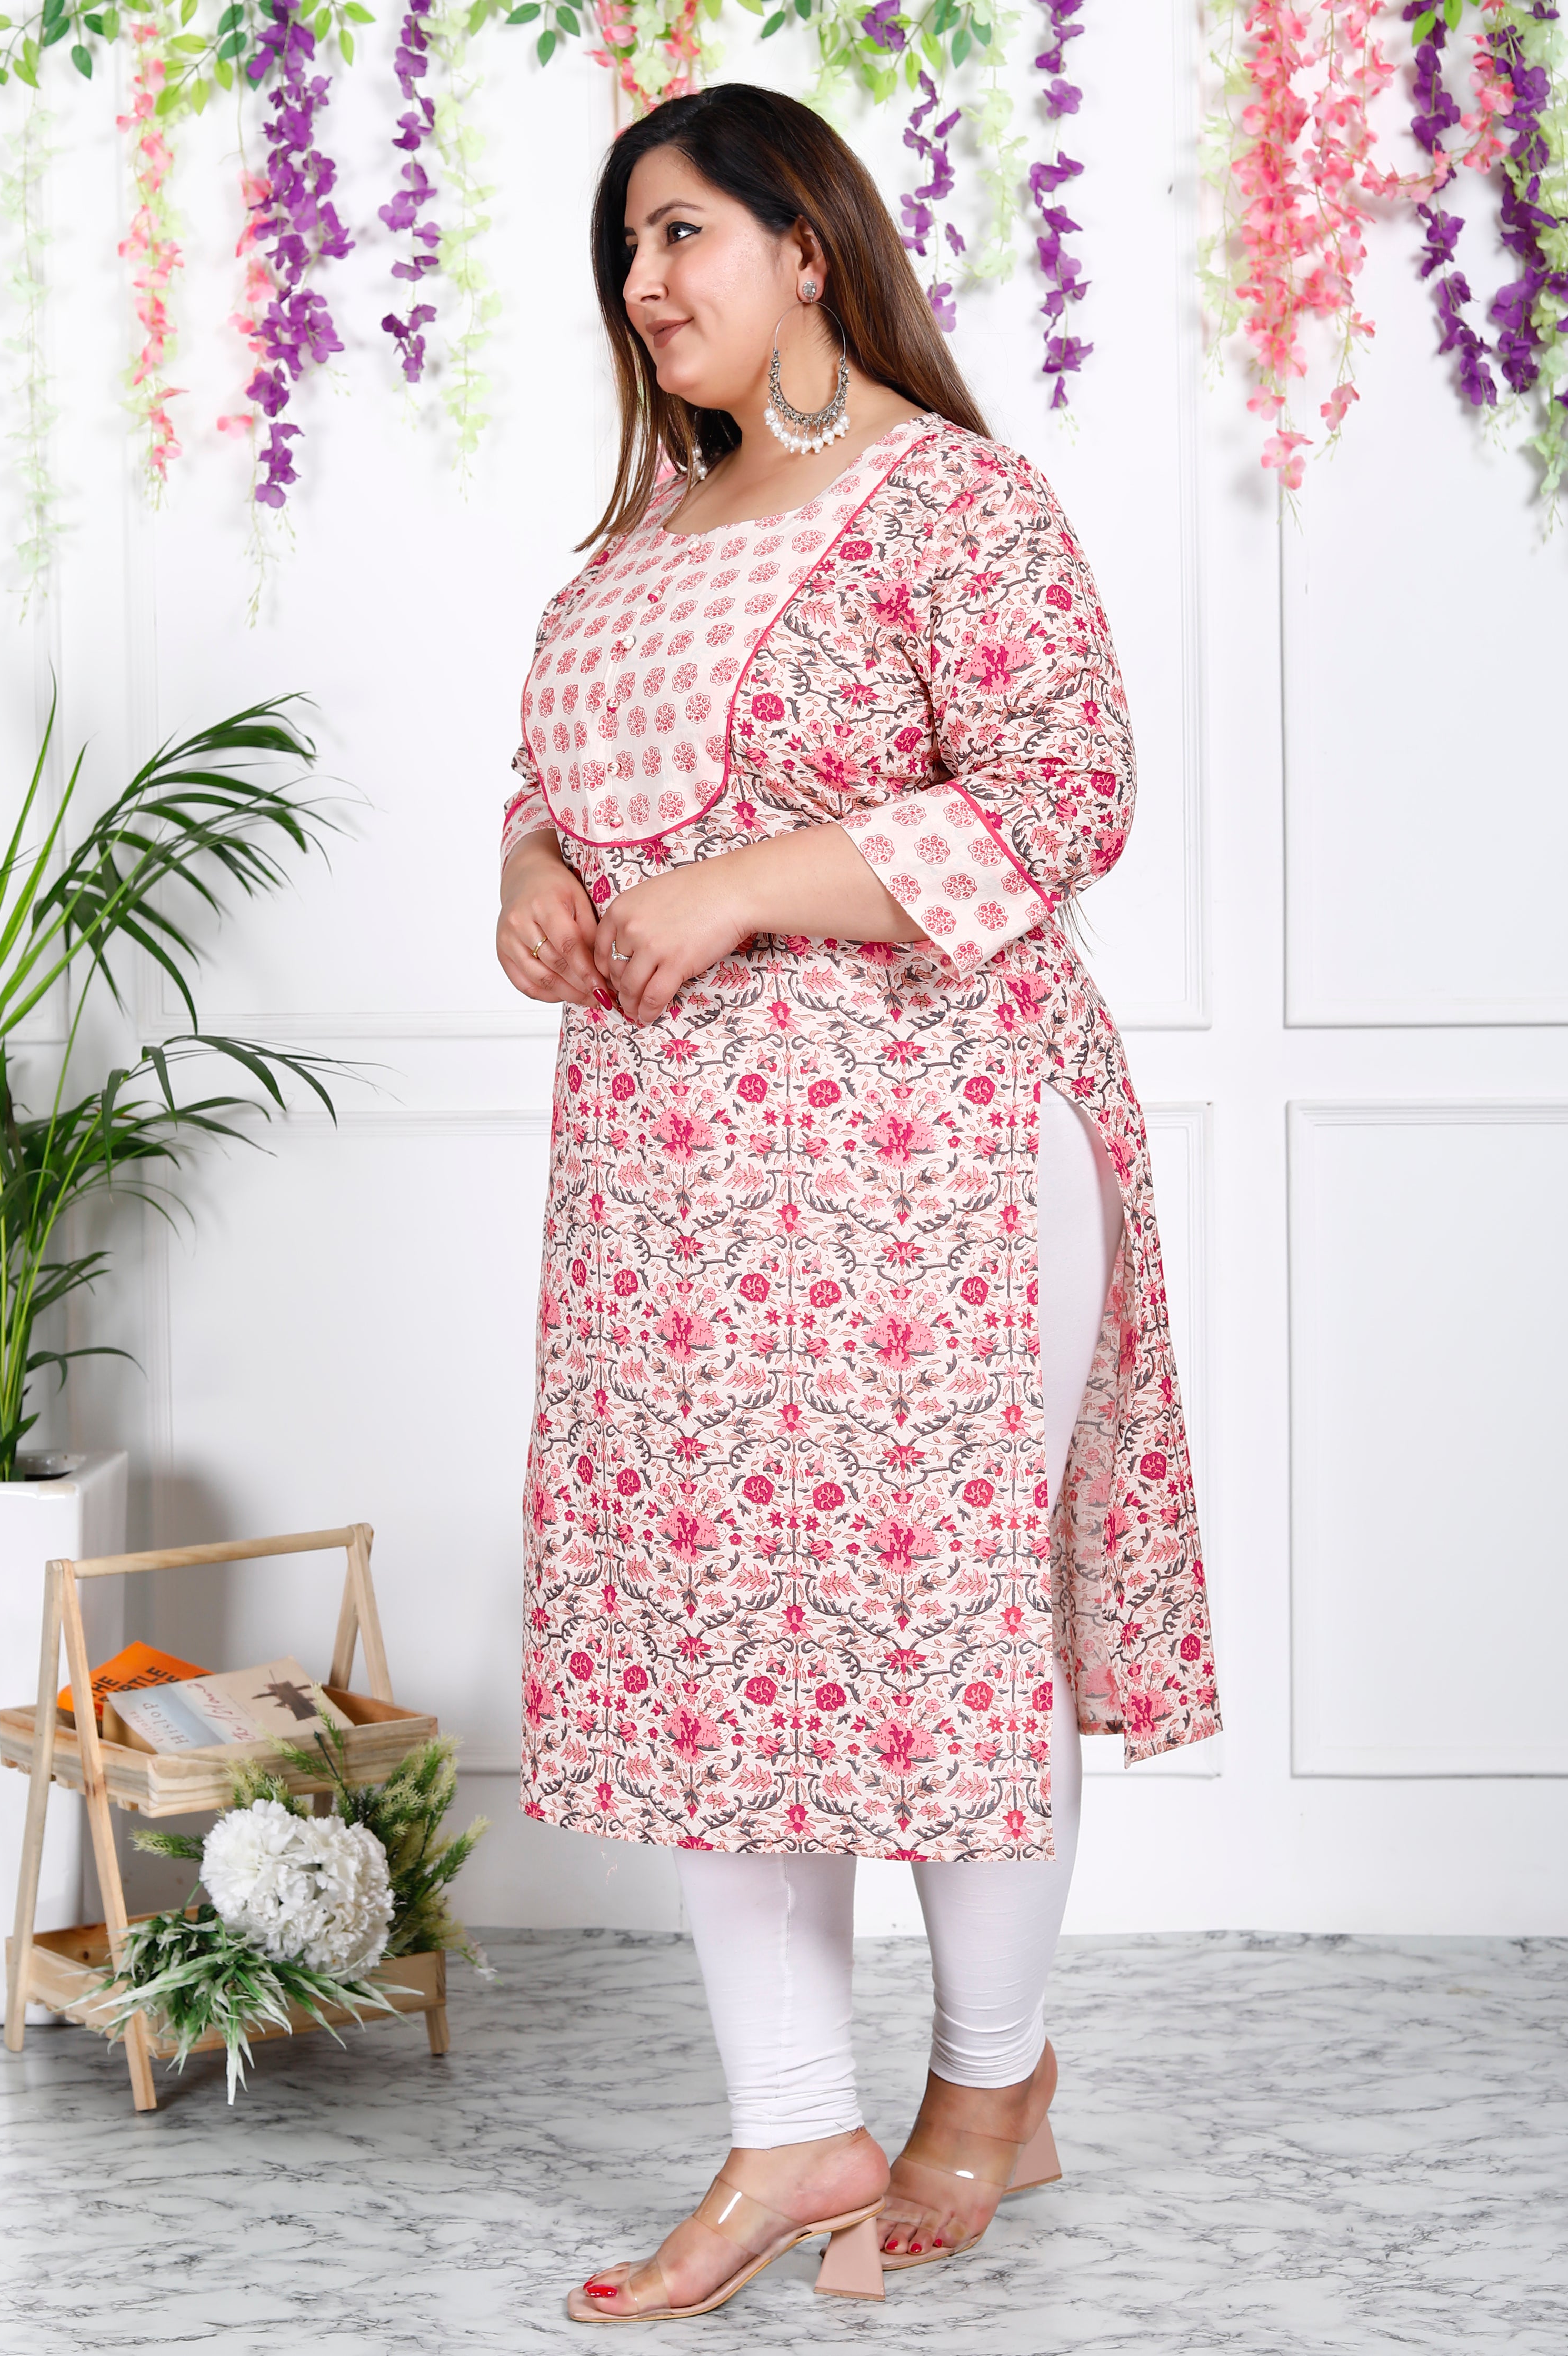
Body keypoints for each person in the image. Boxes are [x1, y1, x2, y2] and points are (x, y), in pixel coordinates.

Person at [495, 83, 1220, 2325]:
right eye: (626, 250)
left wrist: (738, 888)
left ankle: (990, 2089)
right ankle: (793, 2121)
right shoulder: (642, 536)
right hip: (669, 1187)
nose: (646, 285)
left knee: (947, 1629)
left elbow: (1066, 789)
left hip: (937, 1161)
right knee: (719, 1636)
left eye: (683, 233)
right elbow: (548, 784)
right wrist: (533, 875)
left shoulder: (952, 502)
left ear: (807, 247)